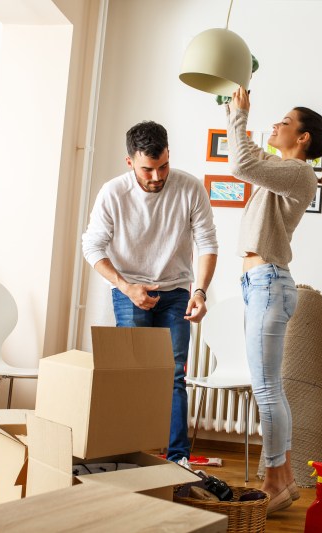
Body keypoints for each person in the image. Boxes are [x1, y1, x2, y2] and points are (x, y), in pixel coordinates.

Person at [225, 86, 322, 514]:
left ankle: (274, 481)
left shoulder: (300, 173)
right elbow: (250, 158)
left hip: (268, 283)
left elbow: (239, 160)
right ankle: (287, 477)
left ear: (304, 138)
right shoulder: (282, 169)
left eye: (285, 122)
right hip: (262, 284)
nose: (275, 124)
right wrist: (231, 108)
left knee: (268, 391)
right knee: (271, 389)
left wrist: (240, 115)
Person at [82, 120, 218, 464]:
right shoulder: (113, 192)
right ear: (130, 162)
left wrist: (199, 292)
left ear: (169, 155)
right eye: (148, 169)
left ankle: (178, 459)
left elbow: (207, 242)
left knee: (173, 374)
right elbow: (92, 247)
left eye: (163, 166)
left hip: (175, 291)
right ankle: (129, 455)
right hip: (129, 290)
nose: (157, 177)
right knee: (132, 376)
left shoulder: (189, 188)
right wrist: (126, 286)